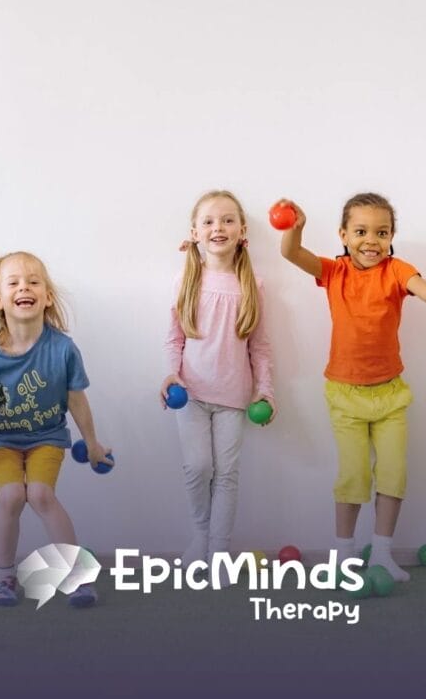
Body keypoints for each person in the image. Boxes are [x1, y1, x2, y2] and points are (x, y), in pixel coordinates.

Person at [280, 192, 426, 582]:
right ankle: (344, 554)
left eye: (382, 233)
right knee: (353, 476)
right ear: (343, 235)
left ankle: (382, 553)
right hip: (345, 394)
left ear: (391, 237)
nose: (371, 240)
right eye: (361, 231)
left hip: (390, 395)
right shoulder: (333, 271)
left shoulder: (397, 271)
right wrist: (295, 229)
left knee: (393, 474)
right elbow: (291, 253)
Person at [0, 251, 110, 607]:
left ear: (47, 297)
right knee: (11, 496)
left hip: (47, 437)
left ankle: (77, 577)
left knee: (40, 494)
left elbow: (77, 401)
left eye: (33, 281)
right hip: (2, 440)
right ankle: (3, 578)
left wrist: (93, 444)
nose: (24, 287)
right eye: (13, 282)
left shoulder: (63, 349)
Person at [162, 190, 274, 578]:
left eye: (227, 220)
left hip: (233, 397)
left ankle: (220, 551)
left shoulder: (252, 284)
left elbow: (260, 346)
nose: (218, 227)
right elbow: (174, 338)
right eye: (208, 221)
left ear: (242, 231)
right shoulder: (185, 279)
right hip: (190, 394)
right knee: (197, 467)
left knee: (227, 473)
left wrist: (265, 389)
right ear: (195, 232)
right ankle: (200, 536)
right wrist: (171, 373)